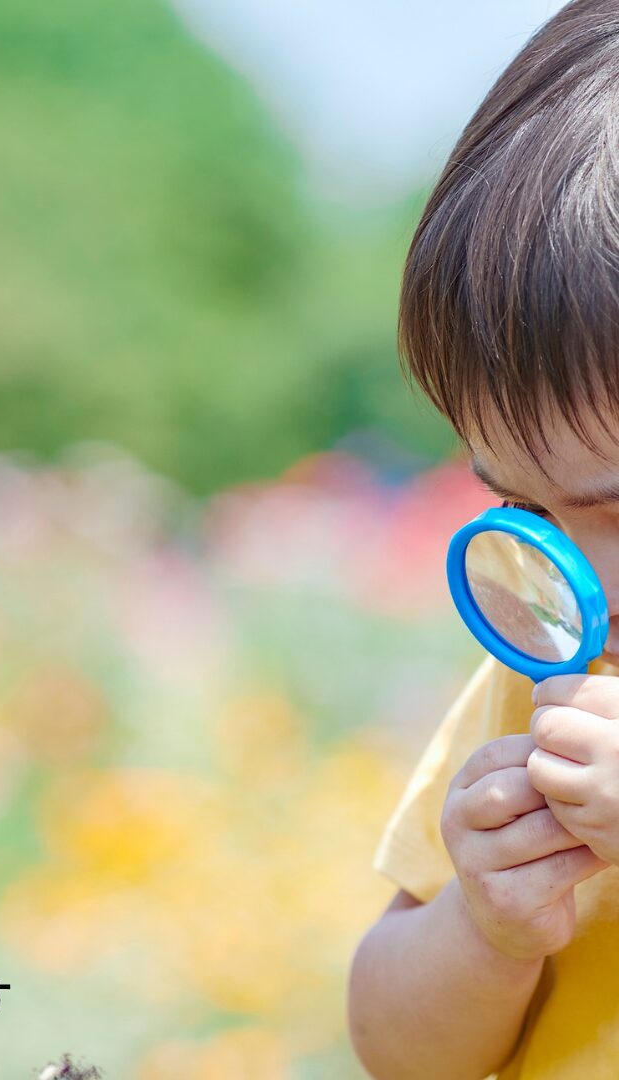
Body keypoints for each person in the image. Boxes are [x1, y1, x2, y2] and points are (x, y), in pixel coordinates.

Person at [346, 3, 619, 1077]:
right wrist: (485, 930)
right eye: (527, 514)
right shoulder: (541, 676)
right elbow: (398, 1050)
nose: (577, 586)